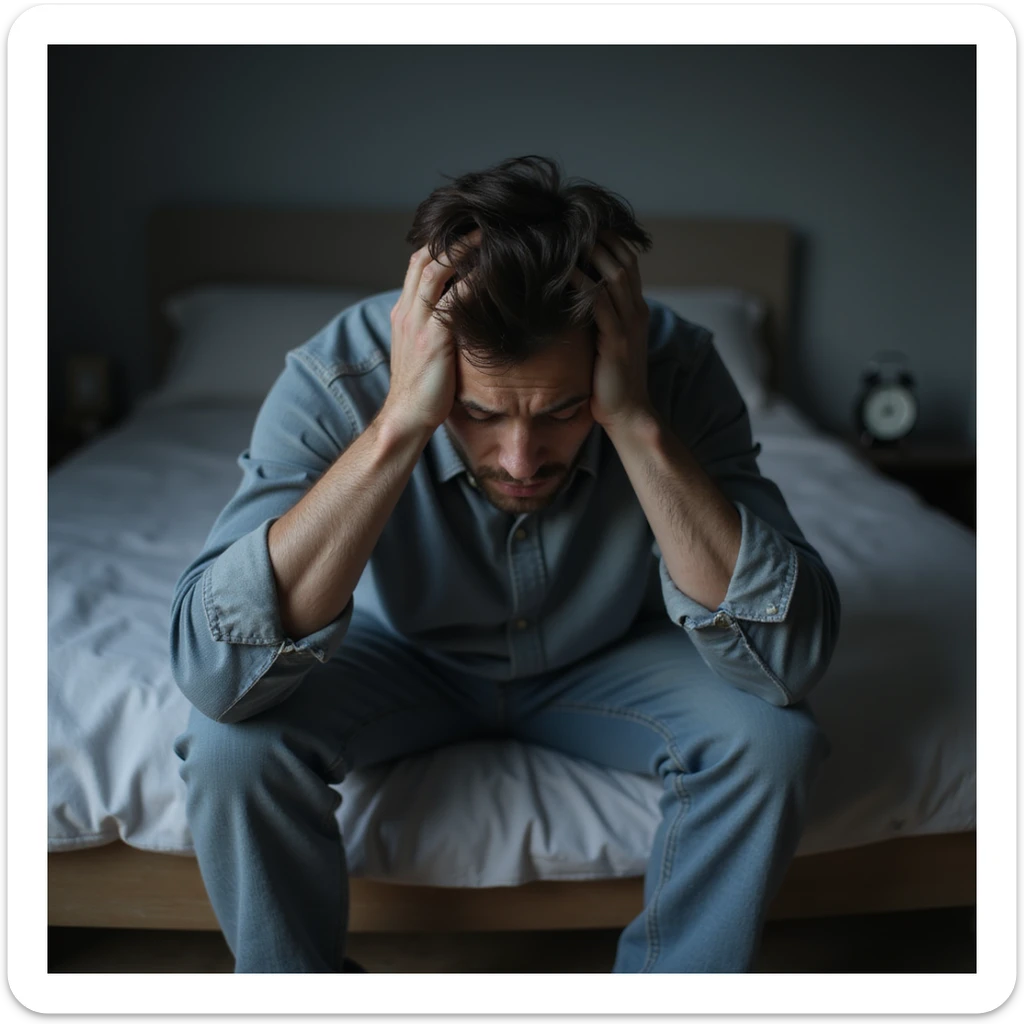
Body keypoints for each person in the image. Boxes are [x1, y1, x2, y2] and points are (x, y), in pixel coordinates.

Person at [170, 154, 840, 973]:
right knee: (231, 749)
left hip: (609, 654)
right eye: (481, 414)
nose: (521, 459)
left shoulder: (674, 367)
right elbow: (215, 670)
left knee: (774, 742)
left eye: (562, 412)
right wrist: (398, 427)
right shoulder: (340, 373)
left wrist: (632, 419)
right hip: (395, 651)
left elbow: (788, 661)